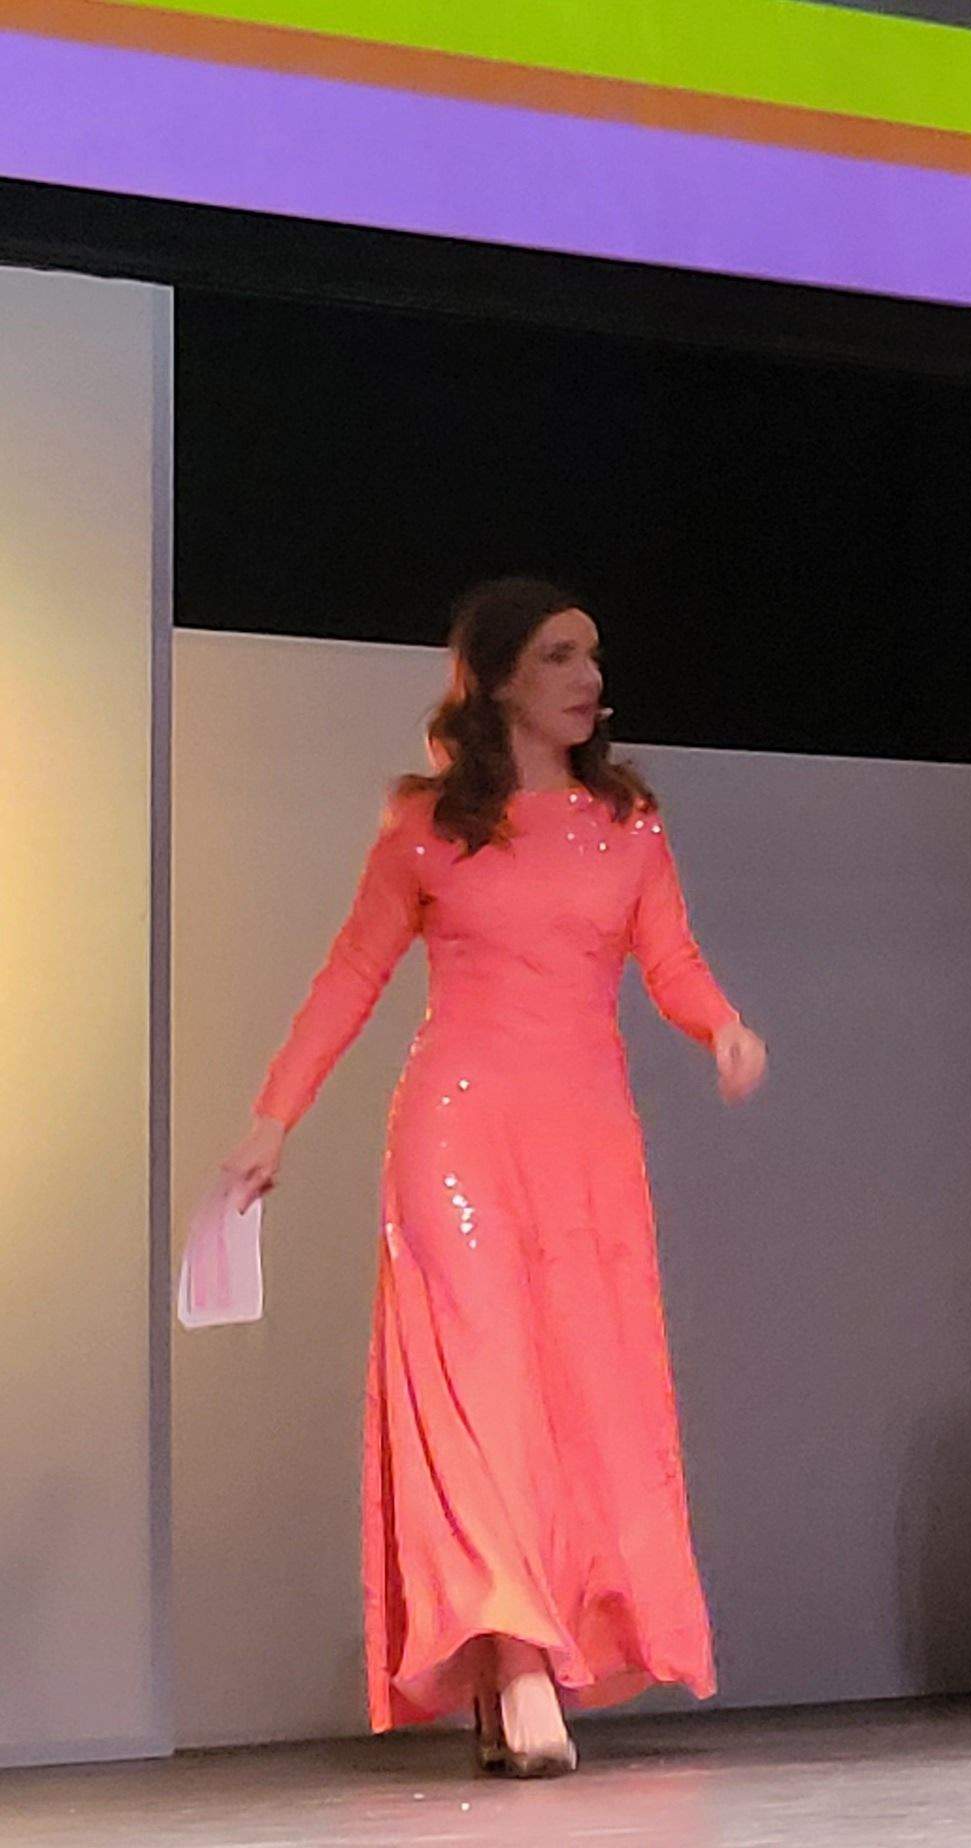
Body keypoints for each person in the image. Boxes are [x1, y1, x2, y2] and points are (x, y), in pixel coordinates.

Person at [213, 579, 770, 1778]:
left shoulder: (627, 823)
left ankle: (518, 1651)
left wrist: (720, 1026)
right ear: (500, 677)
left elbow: (670, 958)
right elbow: (352, 973)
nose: (590, 678)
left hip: (586, 1143)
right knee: (479, 1393)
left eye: (594, 656)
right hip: (456, 1135)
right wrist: (274, 1118)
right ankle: (517, 1665)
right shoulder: (427, 825)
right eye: (561, 656)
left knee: (577, 1396)